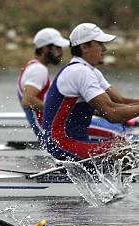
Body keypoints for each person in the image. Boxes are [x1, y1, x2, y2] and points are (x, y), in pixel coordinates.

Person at [42, 23, 139, 161]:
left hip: (75, 141)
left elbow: (120, 102)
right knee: (128, 149)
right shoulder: (79, 72)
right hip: (61, 144)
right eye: (100, 44)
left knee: (128, 145)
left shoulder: (91, 71)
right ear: (84, 47)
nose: (104, 49)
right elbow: (112, 114)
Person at [18, 27, 124, 140]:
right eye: (57, 48)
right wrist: (59, 111)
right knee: (120, 132)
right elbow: (28, 101)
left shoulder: (31, 65)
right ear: (45, 49)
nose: (60, 52)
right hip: (47, 131)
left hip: (49, 127)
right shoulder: (38, 70)